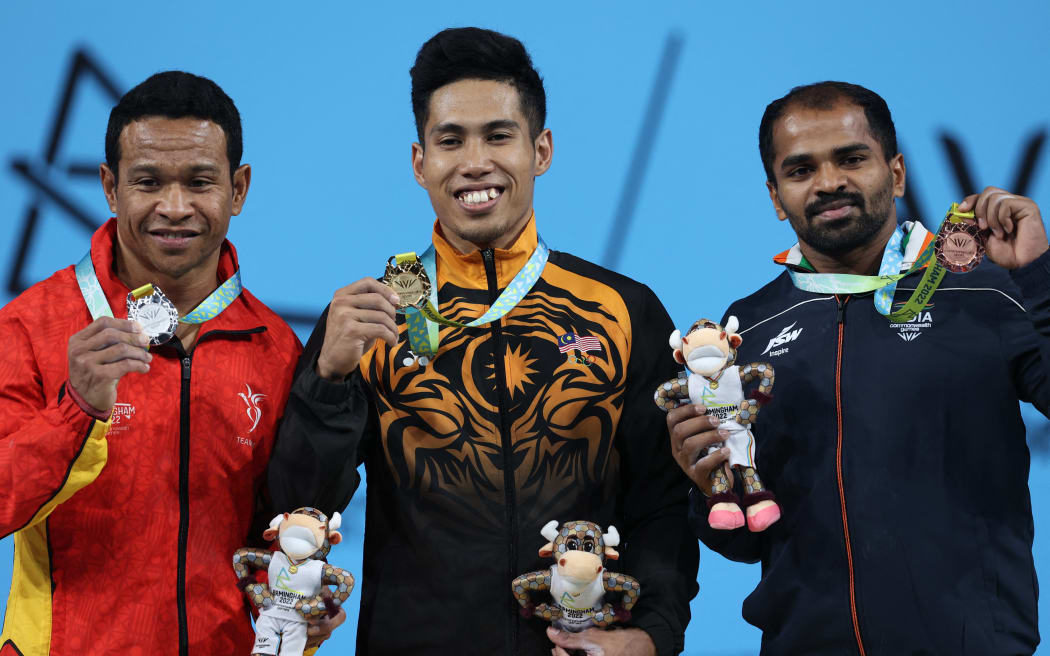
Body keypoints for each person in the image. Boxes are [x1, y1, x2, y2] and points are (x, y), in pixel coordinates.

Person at [269, 27, 698, 656]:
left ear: (541, 149)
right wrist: (327, 382)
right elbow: (294, 512)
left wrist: (654, 635)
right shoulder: (373, 316)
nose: (475, 162)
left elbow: (662, 502)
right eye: (451, 140)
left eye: (498, 135)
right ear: (420, 163)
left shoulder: (623, 309)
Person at [667, 80, 1050, 655]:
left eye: (851, 158)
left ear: (896, 173)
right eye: (800, 171)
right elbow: (749, 546)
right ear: (775, 197)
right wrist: (706, 485)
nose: (828, 183)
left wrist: (1037, 276)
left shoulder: (985, 291)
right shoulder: (748, 328)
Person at [0, 71, 308, 655]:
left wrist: (294, 613)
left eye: (199, 181)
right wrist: (77, 411)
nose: (174, 207)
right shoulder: (30, 325)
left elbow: (276, 535)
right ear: (110, 188)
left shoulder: (273, 346)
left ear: (238, 189)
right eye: (148, 182)